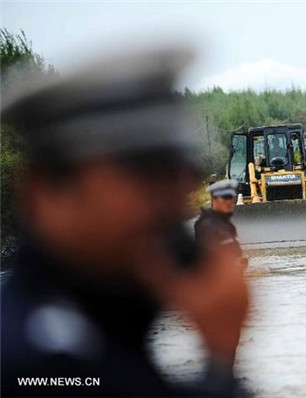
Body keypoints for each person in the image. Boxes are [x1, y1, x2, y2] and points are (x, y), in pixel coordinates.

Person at [1, 47, 249, 397]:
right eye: (149, 174)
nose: (172, 202)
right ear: (43, 192)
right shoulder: (39, 364)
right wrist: (222, 365)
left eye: (182, 176)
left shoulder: (108, 331)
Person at [195, 179, 247, 268]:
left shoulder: (226, 224)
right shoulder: (208, 226)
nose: (229, 201)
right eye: (225, 197)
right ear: (214, 199)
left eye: (231, 197)